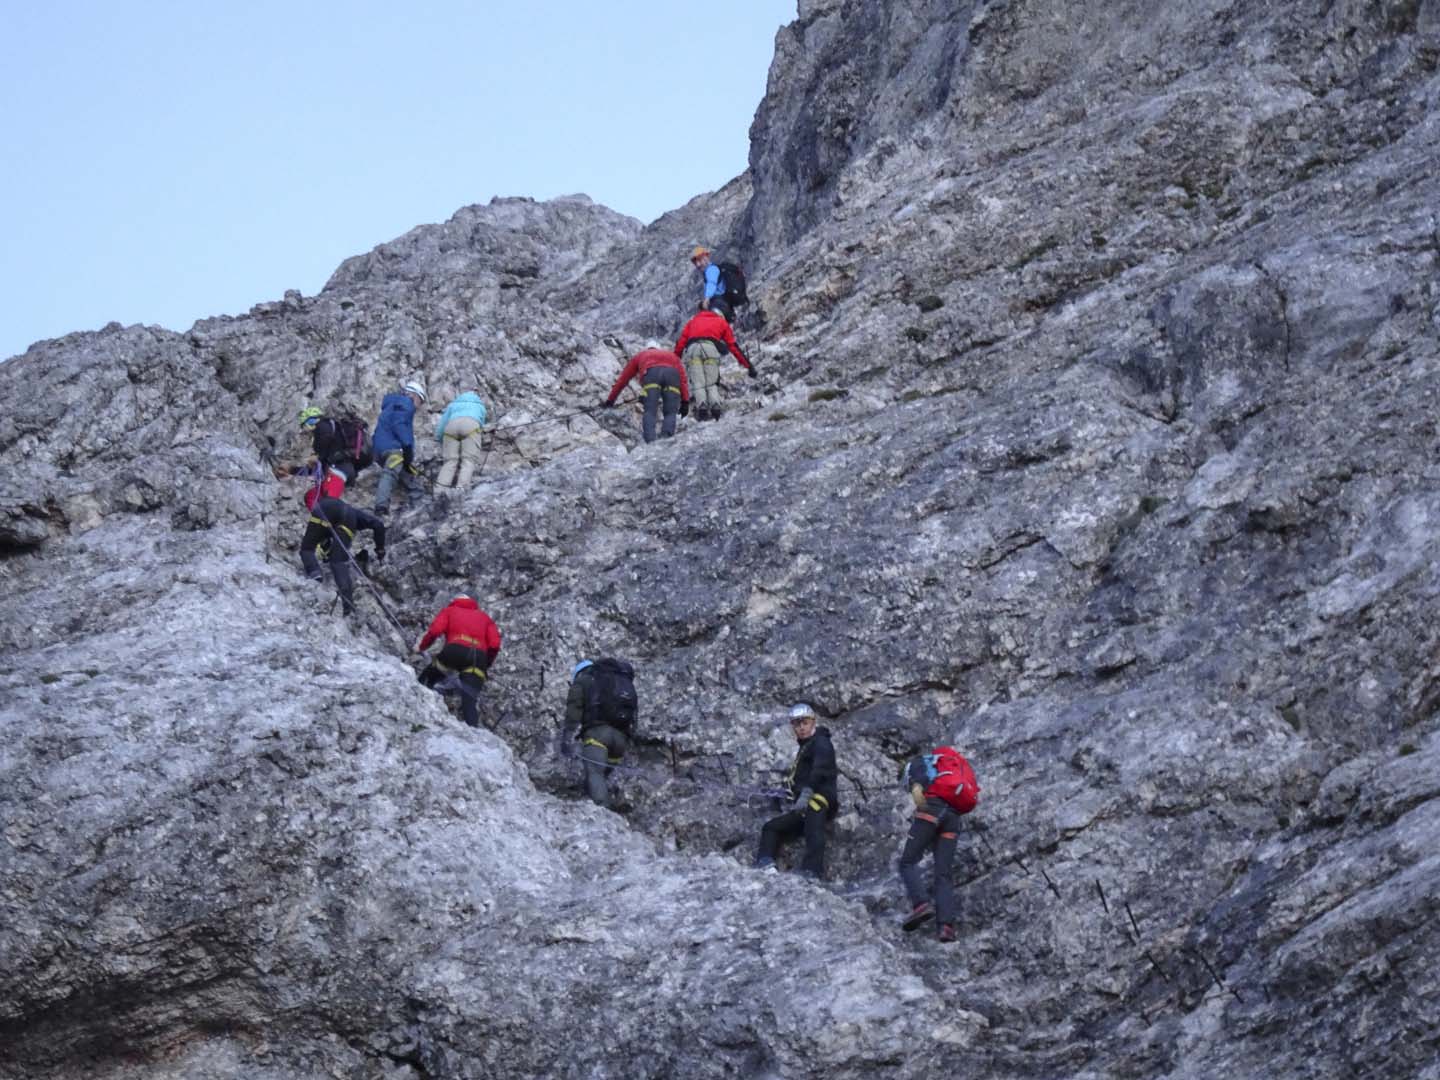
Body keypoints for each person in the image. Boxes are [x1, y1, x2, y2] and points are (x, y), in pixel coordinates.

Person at [897, 747, 980, 944]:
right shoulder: (946, 767)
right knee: (943, 873)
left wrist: (922, 815)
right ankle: (946, 927)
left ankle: (921, 904)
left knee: (907, 862)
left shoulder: (915, 766)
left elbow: (918, 793)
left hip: (932, 808)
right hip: (953, 817)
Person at [754, 703, 839, 878]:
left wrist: (806, 794)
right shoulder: (806, 746)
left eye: (804, 723)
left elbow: (820, 769)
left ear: (813, 722)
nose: (801, 727)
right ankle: (765, 862)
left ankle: (812, 871)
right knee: (771, 827)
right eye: (796, 724)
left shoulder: (821, 742)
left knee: (814, 831)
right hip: (803, 803)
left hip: (817, 799)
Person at [297, 468, 386, 616]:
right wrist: (380, 549)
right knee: (338, 562)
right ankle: (348, 606)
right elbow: (379, 525)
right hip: (347, 515)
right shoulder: (357, 515)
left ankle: (315, 574)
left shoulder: (333, 503)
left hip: (324, 508)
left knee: (307, 549)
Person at [415, 593, 501, 728]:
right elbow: (494, 645)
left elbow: (435, 631)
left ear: (455, 601)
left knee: (429, 677)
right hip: (477, 658)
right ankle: (474, 734)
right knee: (469, 701)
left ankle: (416, 701)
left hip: (454, 650)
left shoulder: (449, 611)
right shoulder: (485, 618)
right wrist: (486, 663)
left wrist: (422, 647)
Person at [567, 658, 638, 808]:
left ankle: (603, 812)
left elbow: (574, 711)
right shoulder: (618, 682)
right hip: (621, 740)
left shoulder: (584, 680)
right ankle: (603, 802)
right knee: (602, 776)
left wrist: (567, 738)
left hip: (598, 736)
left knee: (595, 773)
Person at [674, 301, 756, 421]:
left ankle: (702, 408)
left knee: (698, 382)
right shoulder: (721, 322)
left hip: (693, 350)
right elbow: (733, 346)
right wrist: (749, 366)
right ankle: (715, 409)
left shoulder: (693, 321)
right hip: (710, 350)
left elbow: (681, 343)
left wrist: (675, 361)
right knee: (711, 382)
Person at [600, 342, 691, 443]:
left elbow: (623, 380)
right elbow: (683, 380)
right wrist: (685, 401)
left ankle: (651, 441)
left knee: (650, 411)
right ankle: (667, 438)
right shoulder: (672, 356)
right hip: (672, 375)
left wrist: (610, 400)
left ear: (647, 348)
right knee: (670, 412)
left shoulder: (641, 355)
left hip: (652, 374)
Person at [372, 380, 427, 515]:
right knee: (390, 473)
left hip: (379, 448)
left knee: (403, 472)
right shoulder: (406, 404)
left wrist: (407, 462)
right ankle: (381, 507)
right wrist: (408, 447)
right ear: (414, 395)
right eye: (420, 401)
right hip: (393, 447)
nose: (419, 406)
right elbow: (400, 425)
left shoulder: (392, 405)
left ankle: (418, 497)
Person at [276, 406, 371, 483]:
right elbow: (320, 465)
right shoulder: (334, 429)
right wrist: (292, 470)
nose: (305, 429)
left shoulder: (322, 429)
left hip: (344, 470)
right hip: (357, 463)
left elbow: (319, 466)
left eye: (305, 425)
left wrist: (293, 469)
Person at [433, 387, 489, 492]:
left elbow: (442, 424)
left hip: (451, 427)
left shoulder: (453, 404)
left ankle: (439, 491)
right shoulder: (480, 405)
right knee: (468, 460)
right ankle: (460, 490)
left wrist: (439, 438)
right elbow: (481, 423)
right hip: (471, 426)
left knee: (450, 461)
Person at [691, 245, 722, 311]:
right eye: (695, 262)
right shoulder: (708, 271)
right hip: (719, 302)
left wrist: (707, 298)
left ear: (706, 258)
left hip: (721, 303)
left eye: (699, 260)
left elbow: (711, 283)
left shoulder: (711, 269)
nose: (698, 264)